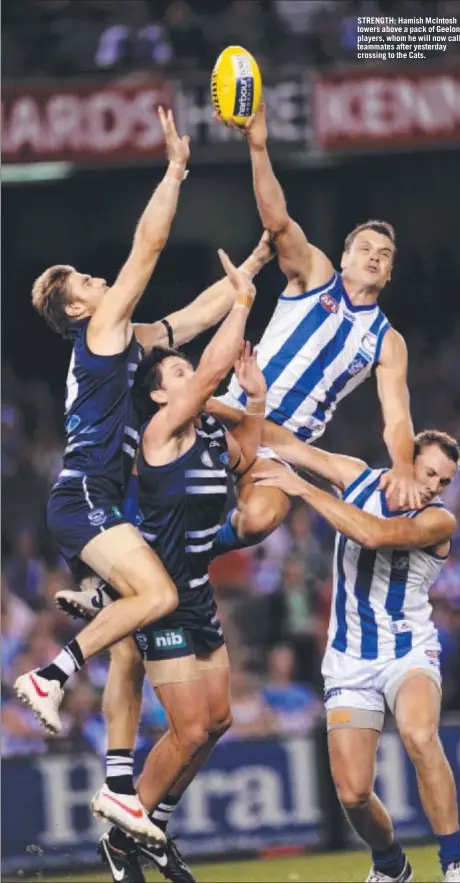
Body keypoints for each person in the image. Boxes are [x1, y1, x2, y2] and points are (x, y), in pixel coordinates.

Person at [13, 106, 271, 845]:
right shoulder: (99, 331)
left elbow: (188, 317)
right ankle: (51, 672)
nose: (100, 280)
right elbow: (148, 247)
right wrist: (175, 170)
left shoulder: (126, 341)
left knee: (133, 631)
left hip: (96, 500)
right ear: (76, 308)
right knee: (156, 593)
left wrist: (248, 273)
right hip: (87, 497)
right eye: (87, 282)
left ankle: (121, 783)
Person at [98, 259, 266, 882]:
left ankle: (154, 826)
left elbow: (249, 445)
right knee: (189, 725)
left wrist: (253, 397)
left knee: (218, 720)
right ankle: (125, 833)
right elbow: (214, 369)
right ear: (161, 394)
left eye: (187, 366)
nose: (189, 372)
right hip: (159, 595)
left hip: (197, 591)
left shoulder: (209, 433)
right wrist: (242, 301)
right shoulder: (162, 430)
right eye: (177, 370)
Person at [253, 429, 460, 883]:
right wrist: (229, 405)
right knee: (353, 794)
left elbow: (375, 534)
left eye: (445, 481)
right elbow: (285, 444)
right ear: (403, 459)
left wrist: (301, 488)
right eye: (429, 472)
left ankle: (455, 865)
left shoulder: (439, 521)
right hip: (349, 659)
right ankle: (391, 864)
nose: (435, 485)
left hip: (407, 649)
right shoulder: (356, 477)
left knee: (418, 734)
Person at [208, 103, 419, 561]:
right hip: (234, 410)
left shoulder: (388, 341)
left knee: (260, 519)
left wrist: (403, 465)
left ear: (389, 276)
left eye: (384, 255)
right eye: (364, 247)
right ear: (344, 258)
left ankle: (198, 551)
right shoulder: (317, 273)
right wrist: (258, 146)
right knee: (159, 456)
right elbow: (278, 221)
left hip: (286, 443)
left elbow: (398, 417)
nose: (375, 256)